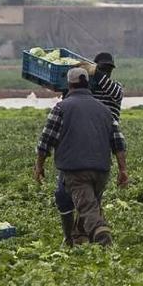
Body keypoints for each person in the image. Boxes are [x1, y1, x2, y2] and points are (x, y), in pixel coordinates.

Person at [34, 67, 128, 247]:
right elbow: (118, 142)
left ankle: (102, 235)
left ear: (69, 85)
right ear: (88, 83)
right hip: (102, 170)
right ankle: (78, 239)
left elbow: (46, 139)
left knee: (87, 208)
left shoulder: (61, 107)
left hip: (75, 170)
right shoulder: (104, 110)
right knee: (89, 204)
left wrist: (39, 166)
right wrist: (123, 169)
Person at [54, 51, 125, 233]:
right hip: (80, 145)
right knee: (76, 196)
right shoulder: (89, 90)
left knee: (89, 197)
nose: (106, 72)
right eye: (103, 69)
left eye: (108, 69)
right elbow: (71, 100)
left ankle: (90, 232)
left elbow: (115, 93)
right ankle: (83, 234)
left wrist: (97, 73)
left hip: (101, 144)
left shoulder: (114, 88)